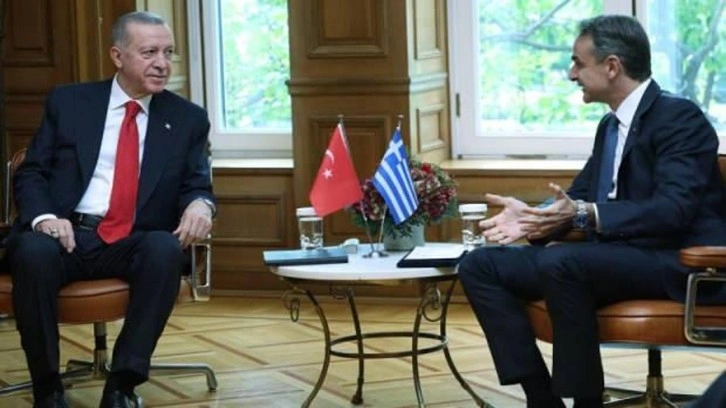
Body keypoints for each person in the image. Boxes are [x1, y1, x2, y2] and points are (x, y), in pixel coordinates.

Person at [457, 14, 726, 408]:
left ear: (612, 66)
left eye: (578, 63)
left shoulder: (679, 118)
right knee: (480, 265)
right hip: (609, 257)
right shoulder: (610, 126)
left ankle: (586, 402)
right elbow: (579, 197)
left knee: (563, 262)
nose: (571, 74)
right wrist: (534, 217)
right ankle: (540, 398)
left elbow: (673, 210)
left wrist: (584, 215)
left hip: (674, 259)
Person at [6, 11, 215, 408]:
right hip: (66, 234)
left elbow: (196, 184)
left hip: (131, 239)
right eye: (149, 52)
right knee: (32, 251)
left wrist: (201, 205)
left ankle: (122, 385)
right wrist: (46, 219)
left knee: (164, 249)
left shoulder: (187, 119)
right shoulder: (70, 102)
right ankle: (47, 388)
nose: (162, 63)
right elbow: (32, 172)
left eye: (168, 52)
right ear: (117, 56)